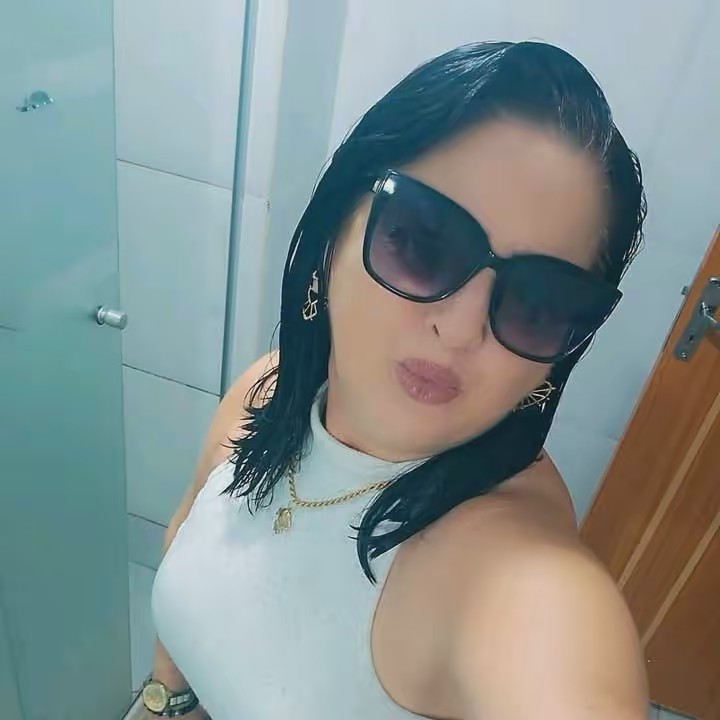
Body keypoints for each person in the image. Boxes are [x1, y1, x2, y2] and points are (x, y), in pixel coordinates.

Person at [144, 40, 648, 720]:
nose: (461, 328)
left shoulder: (521, 580)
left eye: (540, 302)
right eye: (422, 241)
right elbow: (185, 547)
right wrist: (165, 701)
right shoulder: (268, 389)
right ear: (333, 234)